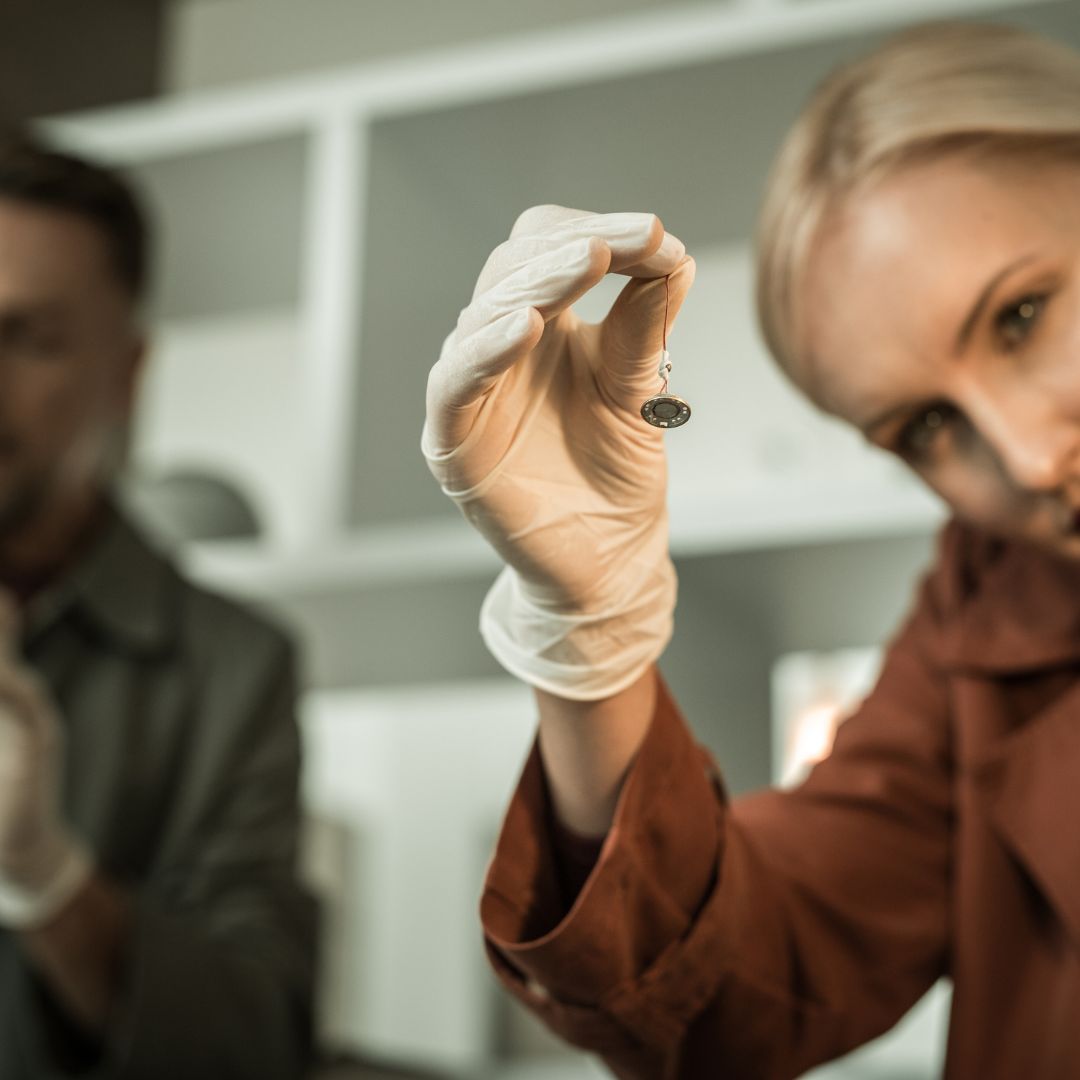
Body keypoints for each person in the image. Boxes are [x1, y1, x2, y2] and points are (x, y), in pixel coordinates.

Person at [423, 19, 1080, 1080]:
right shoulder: (987, 612)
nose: (1030, 458)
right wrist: (592, 638)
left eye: (1023, 315)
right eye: (925, 428)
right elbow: (741, 979)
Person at [0, 136, 316, 1078]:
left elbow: (253, 1044)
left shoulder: (232, 670)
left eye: (28, 337)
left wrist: (44, 874)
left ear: (128, 372)